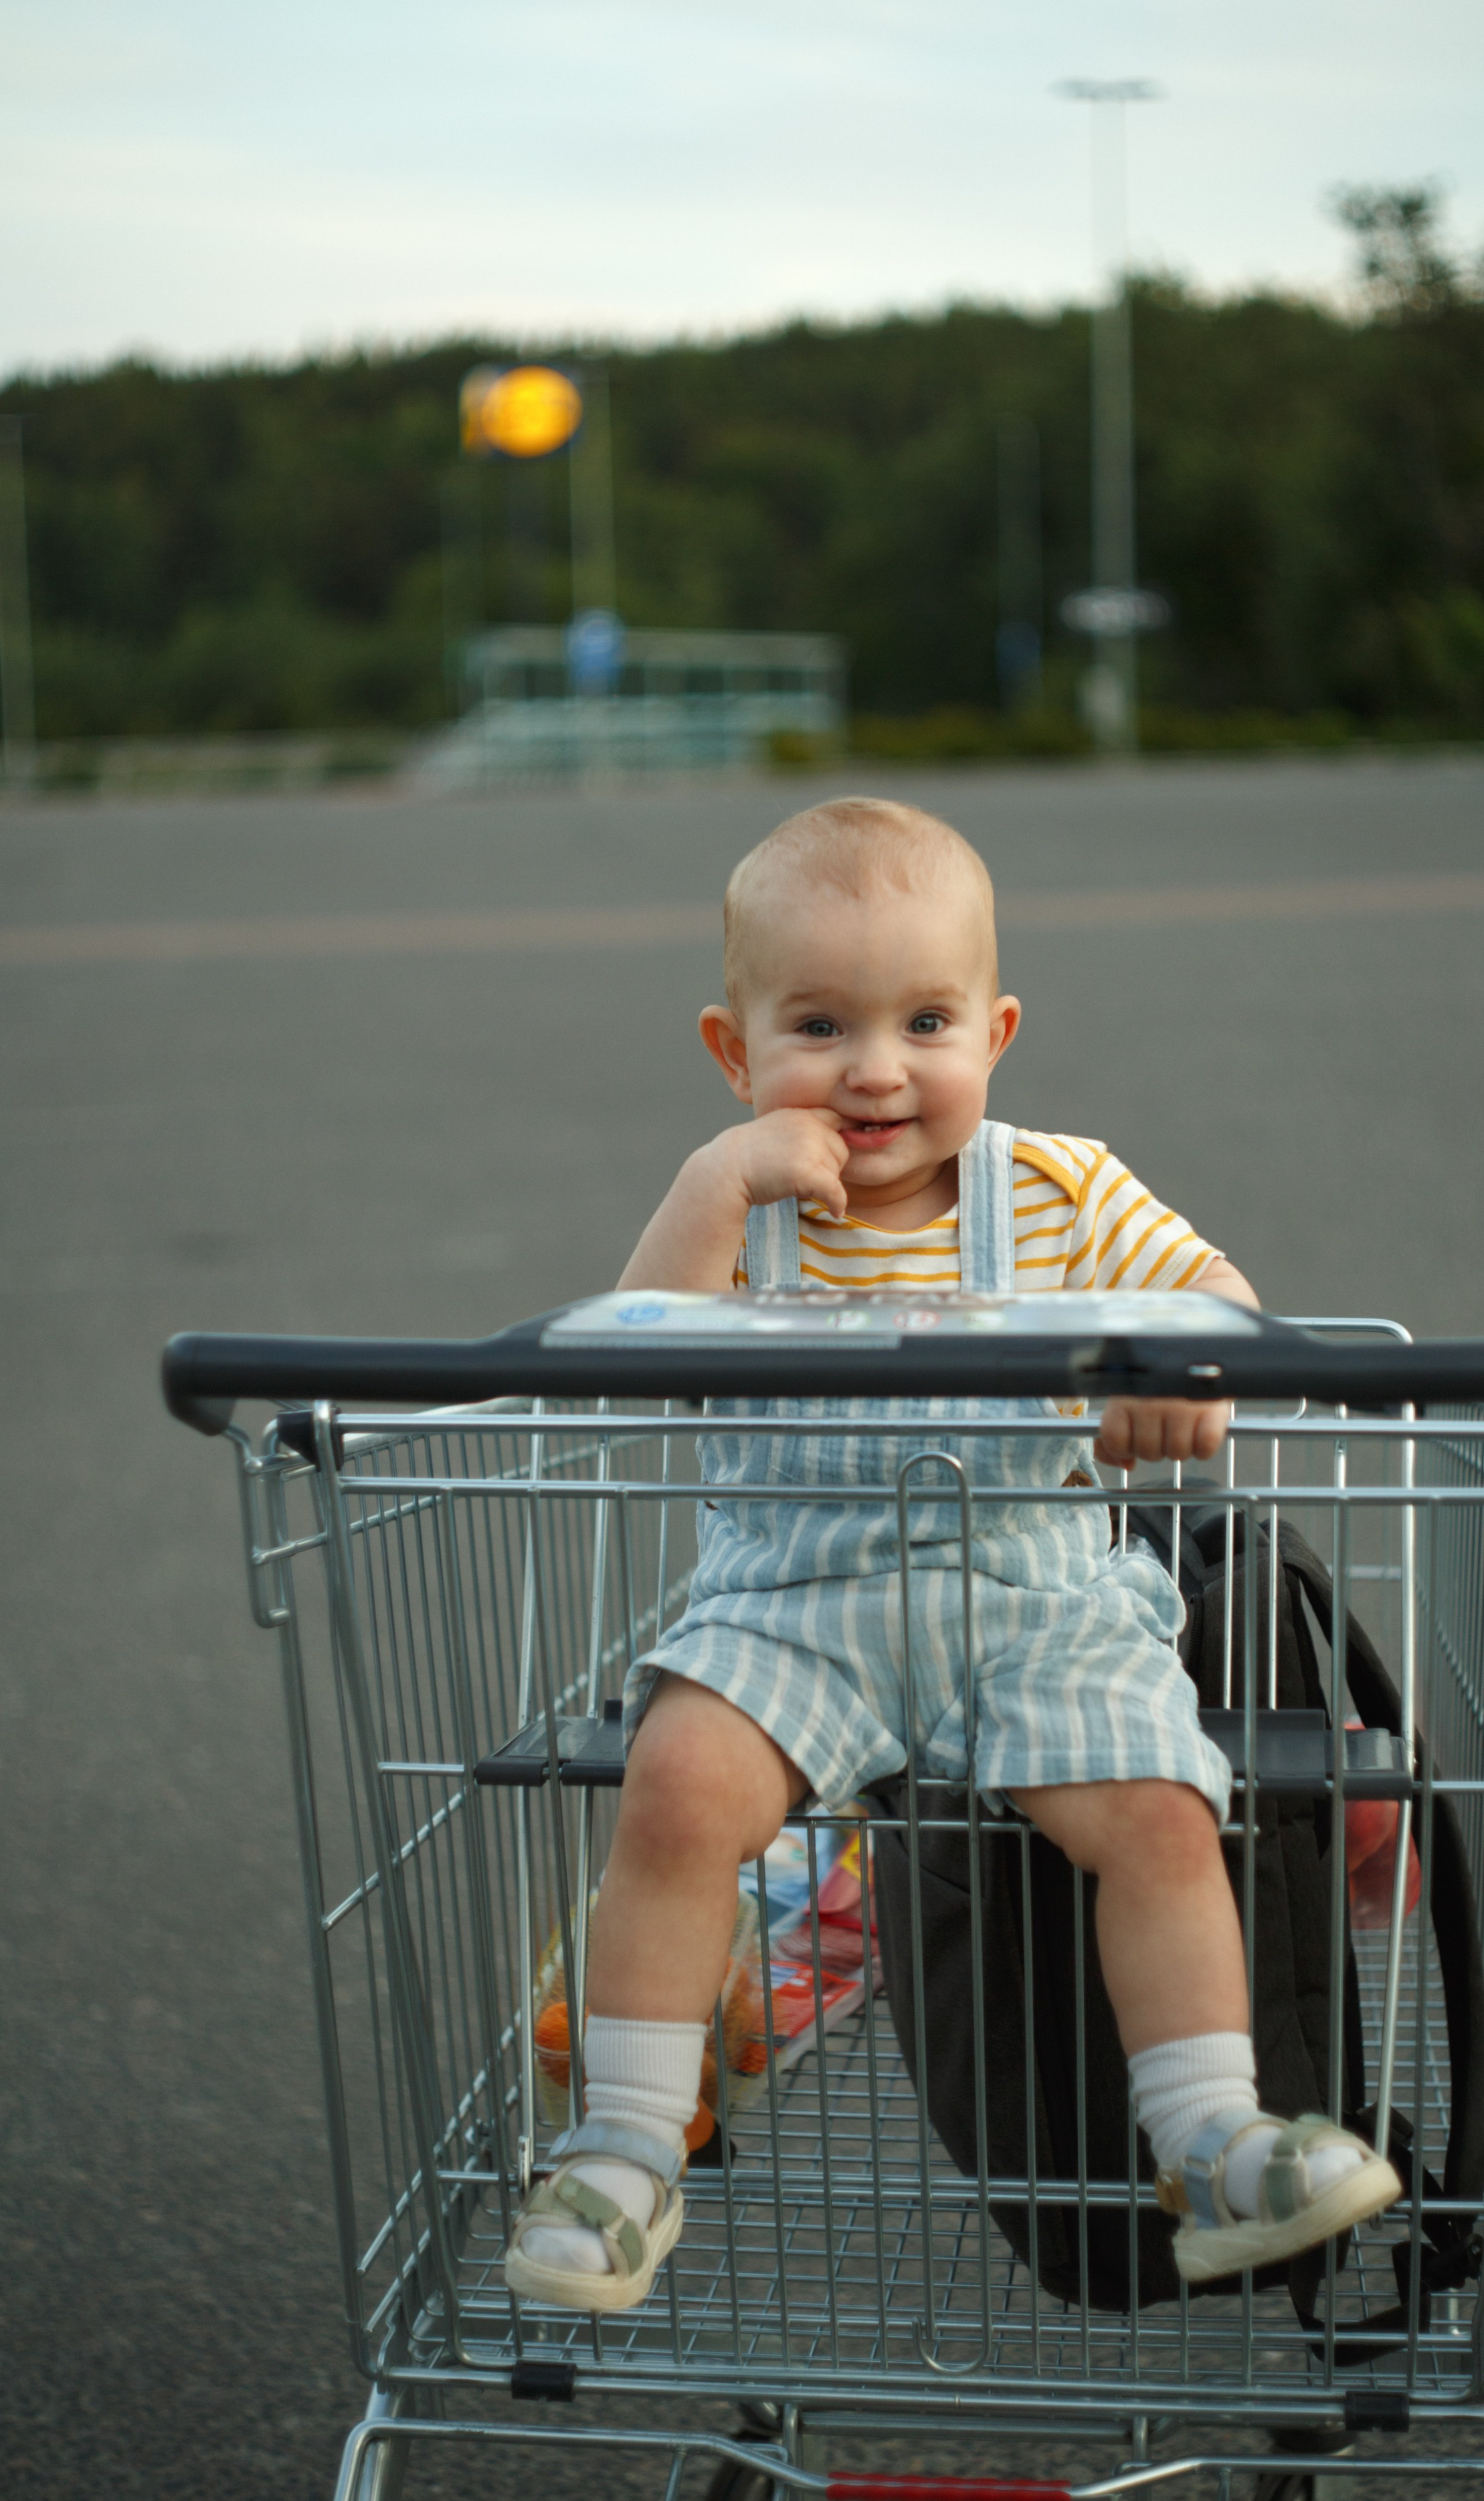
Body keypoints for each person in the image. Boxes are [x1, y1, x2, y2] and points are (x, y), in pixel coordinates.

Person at [505, 796, 1398, 2313]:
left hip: (1029, 1601)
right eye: (817, 1025)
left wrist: (1172, 1365)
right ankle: (622, 2159)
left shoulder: (1058, 1189)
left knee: (1165, 1813)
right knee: (673, 1788)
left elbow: (1217, 1293)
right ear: (734, 1052)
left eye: (923, 1021)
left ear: (991, 1031)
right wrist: (710, 1184)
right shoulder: (735, 1207)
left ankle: (1215, 2142)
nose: (873, 1069)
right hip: (792, 1600)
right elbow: (630, 1352)